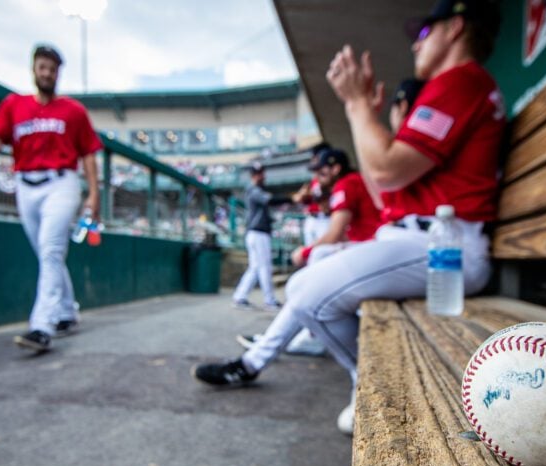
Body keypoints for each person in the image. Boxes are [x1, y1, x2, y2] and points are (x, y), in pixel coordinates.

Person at [194, 0, 505, 436]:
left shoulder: (460, 80)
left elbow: (384, 171)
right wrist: (362, 113)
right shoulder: (458, 85)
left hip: (445, 250)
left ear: (454, 28)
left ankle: (376, 387)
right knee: (308, 282)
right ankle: (328, 375)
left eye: (422, 34)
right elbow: (386, 190)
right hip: (419, 241)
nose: (416, 46)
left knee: (306, 293)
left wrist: (358, 106)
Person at [0, 44, 102, 353]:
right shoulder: (14, 105)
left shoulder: (73, 111)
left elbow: (89, 154)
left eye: (51, 68)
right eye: (42, 67)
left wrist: (93, 194)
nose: (46, 73)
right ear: (34, 69)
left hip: (61, 183)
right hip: (25, 186)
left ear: (58, 73)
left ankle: (41, 326)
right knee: (47, 254)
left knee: (50, 250)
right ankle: (66, 312)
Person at [235, 146, 384, 357]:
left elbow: (335, 234)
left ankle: (285, 342)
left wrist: (305, 252)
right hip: (368, 249)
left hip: (373, 250)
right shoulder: (348, 182)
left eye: (321, 171)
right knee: (304, 274)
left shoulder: (348, 183)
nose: (316, 176)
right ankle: (287, 340)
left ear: (336, 168)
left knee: (314, 263)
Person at [230, 162, 289, 311]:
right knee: (264, 267)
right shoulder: (254, 190)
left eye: (262, 173)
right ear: (253, 175)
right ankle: (269, 300)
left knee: (255, 267)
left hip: (256, 233)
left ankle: (240, 296)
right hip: (258, 233)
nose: (262, 176)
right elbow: (269, 200)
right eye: (258, 173)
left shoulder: (255, 190)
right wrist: (291, 198)